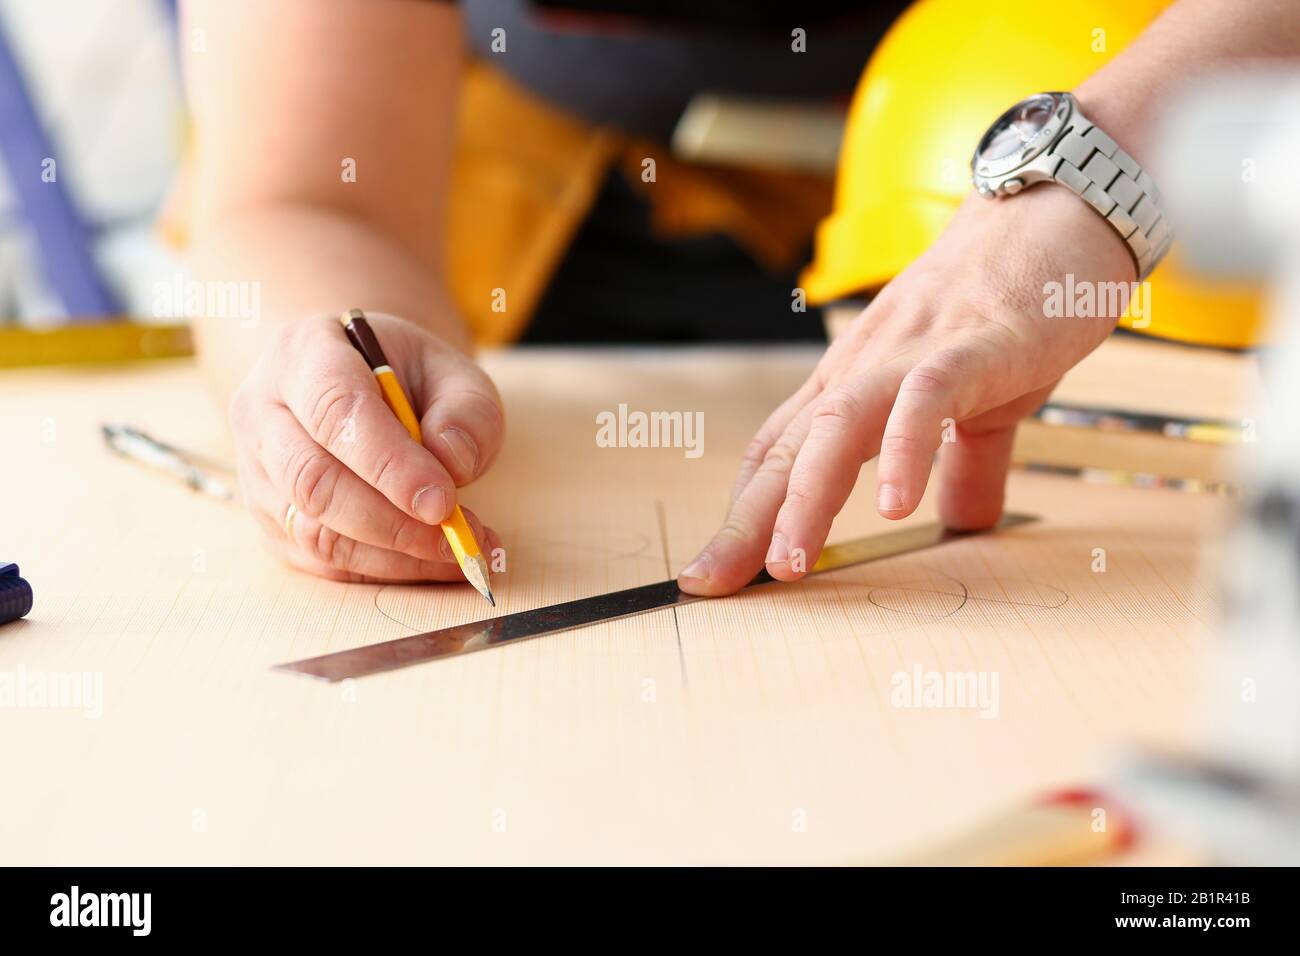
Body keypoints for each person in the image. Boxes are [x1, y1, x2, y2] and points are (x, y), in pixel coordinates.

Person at [180, 0, 1299, 593]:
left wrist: (1102, 171)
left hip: (1123, 225)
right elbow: (305, 197)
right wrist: (323, 358)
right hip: (548, 239)